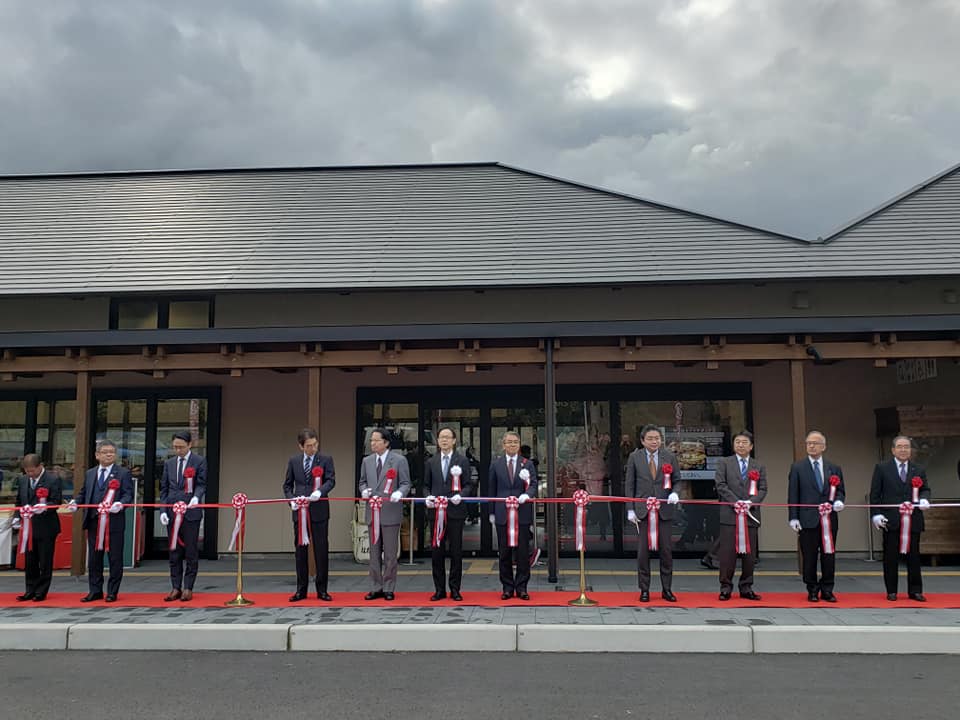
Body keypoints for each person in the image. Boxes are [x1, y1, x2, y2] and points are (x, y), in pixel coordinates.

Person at [69, 440, 134, 602]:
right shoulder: (91, 473)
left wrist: (120, 504)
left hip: (113, 523)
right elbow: (84, 493)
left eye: (112, 451)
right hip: (93, 522)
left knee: (115, 558)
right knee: (94, 559)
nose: (109, 454)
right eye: (105, 451)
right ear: (97, 455)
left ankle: (112, 591)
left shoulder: (123, 473)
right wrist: (76, 503)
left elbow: (128, 495)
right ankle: (95, 590)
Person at [870, 435, 931, 601]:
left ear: (911, 450)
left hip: (913, 520)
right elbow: (875, 494)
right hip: (891, 520)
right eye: (900, 446)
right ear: (893, 450)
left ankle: (915, 590)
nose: (903, 450)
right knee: (891, 557)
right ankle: (891, 591)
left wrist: (925, 499)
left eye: (906, 447)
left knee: (914, 557)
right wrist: (876, 515)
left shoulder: (918, 469)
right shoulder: (882, 468)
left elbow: (925, 488)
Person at [625, 425, 681, 602]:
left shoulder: (669, 456)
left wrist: (675, 493)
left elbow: (677, 480)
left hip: (664, 510)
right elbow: (629, 484)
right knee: (643, 553)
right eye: (650, 438)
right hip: (643, 511)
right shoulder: (635, 457)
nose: (654, 441)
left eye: (657, 438)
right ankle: (644, 589)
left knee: (666, 551)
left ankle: (667, 589)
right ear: (643, 440)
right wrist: (630, 508)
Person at [787, 430, 845, 602]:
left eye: (815, 443)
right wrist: (793, 517)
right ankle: (812, 588)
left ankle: (828, 588)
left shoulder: (834, 468)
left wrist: (839, 501)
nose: (811, 446)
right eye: (809, 443)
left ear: (824, 446)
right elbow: (793, 494)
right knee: (809, 556)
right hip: (807, 519)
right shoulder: (798, 467)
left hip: (829, 519)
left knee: (829, 555)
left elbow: (840, 491)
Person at [283, 427, 336, 602]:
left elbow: (331, 480)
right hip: (300, 511)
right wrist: (292, 500)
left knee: (321, 550)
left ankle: (322, 589)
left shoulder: (325, 459)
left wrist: (320, 492)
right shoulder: (294, 461)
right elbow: (287, 485)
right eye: (309, 446)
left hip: (319, 509)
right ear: (301, 446)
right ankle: (301, 589)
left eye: (315, 444)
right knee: (300, 551)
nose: (313, 448)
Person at [358, 428, 411, 601]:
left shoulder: (399, 460)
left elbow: (405, 483)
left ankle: (389, 587)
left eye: (375, 440)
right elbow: (362, 482)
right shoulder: (367, 461)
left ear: (386, 442)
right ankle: (375, 586)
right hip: (372, 511)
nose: (372, 443)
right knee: (373, 554)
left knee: (390, 553)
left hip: (390, 510)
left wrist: (400, 493)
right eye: (371, 440)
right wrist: (364, 490)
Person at [714, 431, 767, 601]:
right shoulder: (724, 463)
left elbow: (763, 488)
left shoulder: (758, 466)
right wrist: (735, 502)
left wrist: (751, 502)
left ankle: (746, 586)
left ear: (751, 446)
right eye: (737, 442)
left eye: (744, 442)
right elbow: (720, 485)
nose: (741, 445)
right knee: (727, 554)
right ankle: (725, 587)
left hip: (751, 515)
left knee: (749, 556)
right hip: (730, 515)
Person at [425, 427, 474, 601]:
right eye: (441, 437)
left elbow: (468, 484)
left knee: (456, 552)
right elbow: (425, 485)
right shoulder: (431, 461)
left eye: (447, 437)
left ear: (454, 441)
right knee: (437, 552)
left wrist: (461, 496)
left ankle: (455, 589)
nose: (444, 440)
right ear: (437, 441)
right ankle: (439, 589)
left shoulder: (462, 461)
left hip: (455, 511)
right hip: (436, 513)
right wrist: (427, 497)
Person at [159, 431, 207, 602]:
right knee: (174, 551)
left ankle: (188, 587)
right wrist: (163, 511)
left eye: (181, 447)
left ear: (189, 445)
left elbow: (201, 484)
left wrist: (196, 497)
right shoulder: (169, 464)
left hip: (190, 512)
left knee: (191, 551)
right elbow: (164, 489)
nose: (177, 450)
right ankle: (175, 586)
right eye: (175, 447)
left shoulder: (199, 461)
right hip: (172, 511)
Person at [488, 431, 537, 600]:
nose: (512, 445)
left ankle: (522, 587)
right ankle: (507, 587)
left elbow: (534, 485)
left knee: (523, 552)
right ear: (503, 444)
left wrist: (527, 495)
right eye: (509, 442)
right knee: (504, 552)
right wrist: (491, 512)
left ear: (519, 444)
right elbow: (491, 490)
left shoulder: (527, 464)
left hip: (521, 514)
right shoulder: (496, 464)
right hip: (502, 514)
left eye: (515, 442)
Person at [14, 454, 62, 602]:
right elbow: (19, 501)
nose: (30, 474)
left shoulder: (52, 479)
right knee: (30, 561)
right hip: (29, 526)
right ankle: (30, 589)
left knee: (45, 561)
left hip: (46, 526)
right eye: (27, 471)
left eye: (32, 471)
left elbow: (56, 501)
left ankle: (41, 591)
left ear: (40, 466)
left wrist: (45, 507)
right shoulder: (23, 480)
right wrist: (17, 516)